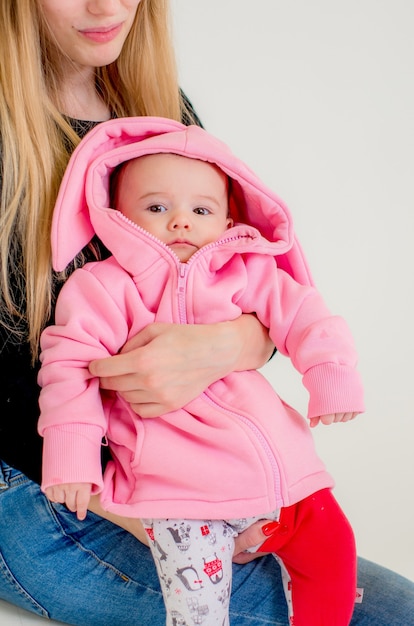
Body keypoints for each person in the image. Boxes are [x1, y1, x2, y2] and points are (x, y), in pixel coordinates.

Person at [0, 1, 413, 625]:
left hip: (202, 459)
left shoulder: (160, 111)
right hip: (55, 486)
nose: (106, 6)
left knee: (370, 597)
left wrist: (233, 346)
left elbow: (260, 291)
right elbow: (62, 370)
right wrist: (161, 508)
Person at [37, 116, 365, 626]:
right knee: (198, 612)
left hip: (281, 479)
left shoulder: (248, 273)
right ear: (116, 217)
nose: (181, 222)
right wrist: (72, 455)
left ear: (230, 220)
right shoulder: (103, 288)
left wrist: (331, 373)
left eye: (201, 209)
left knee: (335, 551)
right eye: (157, 207)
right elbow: (70, 368)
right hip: (180, 494)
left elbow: (305, 314)